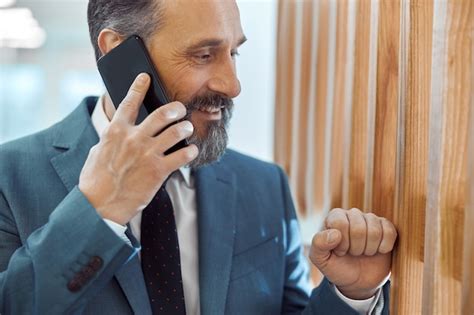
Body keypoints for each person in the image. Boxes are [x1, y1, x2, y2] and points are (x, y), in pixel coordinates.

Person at [0, 0, 398, 314]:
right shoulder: (9, 178)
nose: (233, 84)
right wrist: (99, 211)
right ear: (117, 53)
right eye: (204, 55)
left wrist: (352, 294)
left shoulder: (264, 187)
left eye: (233, 53)